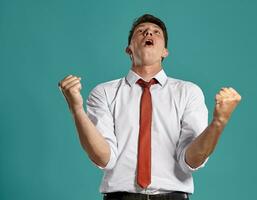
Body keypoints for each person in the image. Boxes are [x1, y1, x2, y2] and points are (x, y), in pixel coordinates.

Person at [58, 14, 242, 200]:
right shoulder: (104, 92)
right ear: (129, 49)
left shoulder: (188, 92)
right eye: (141, 31)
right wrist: (77, 109)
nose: (148, 33)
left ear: (165, 51)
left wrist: (218, 123)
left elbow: (192, 160)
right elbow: (104, 158)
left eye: (156, 32)